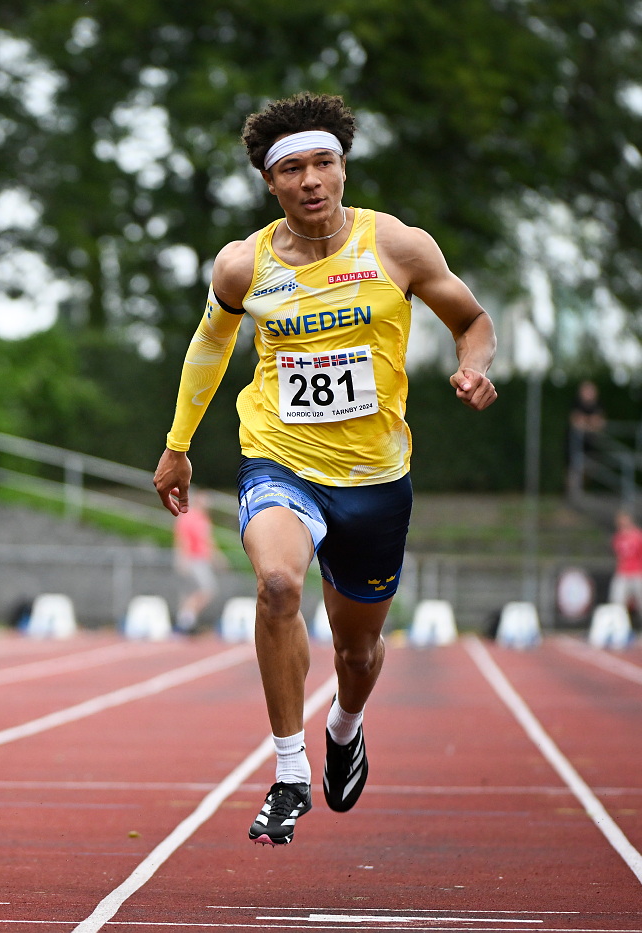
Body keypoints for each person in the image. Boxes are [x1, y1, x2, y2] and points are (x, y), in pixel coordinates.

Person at [152, 93, 498, 846]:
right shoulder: (243, 265)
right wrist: (179, 442)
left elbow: (471, 320)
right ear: (269, 182)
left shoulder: (398, 246)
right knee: (277, 585)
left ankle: (344, 724)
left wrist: (474, 366)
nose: (311, 180)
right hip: (281, 458)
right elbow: (209, 348)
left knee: (357, 650)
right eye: (293, 169)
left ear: (343, 169)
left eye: (324, 163)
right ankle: (288, 769)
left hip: (375, 479)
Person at [171, 488, 224, 633]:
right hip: (194, 558)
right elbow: (182, 539)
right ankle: (186, 620)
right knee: (206, 589)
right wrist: (183, 558)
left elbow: (208, 540)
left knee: (195, 591)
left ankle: (186, 620)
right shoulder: (188, 516)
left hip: (202, 558)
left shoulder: (204, 518)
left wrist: (217, 557)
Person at [567, 380, 607, 496]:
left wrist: (587, 423)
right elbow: (576, 421)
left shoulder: (598, 405)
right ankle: (573, 495)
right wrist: (590, 423)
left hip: (591, 445)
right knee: (574, 470)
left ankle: (579, 493)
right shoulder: (576, 403)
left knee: (589, 471)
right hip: (576, 445)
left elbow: (600, 423)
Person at [609, 510, 642, 618]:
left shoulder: (638, 536)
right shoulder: (617, 537)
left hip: (637, 572)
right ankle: (619, 626)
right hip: (622, 572)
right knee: (617, 600)